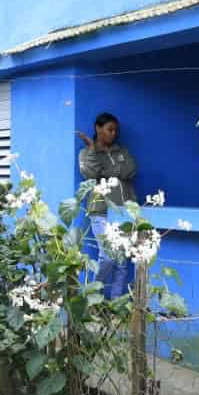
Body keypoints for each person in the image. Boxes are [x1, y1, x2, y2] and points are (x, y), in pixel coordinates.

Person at [77, 112, 138, 299]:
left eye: (115, 131)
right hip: (101, 211)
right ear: (98, 128)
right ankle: (94, 297)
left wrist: (109, 171)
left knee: (121, 261)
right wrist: (95, 152)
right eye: (109, 129)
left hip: (123, 212)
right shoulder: (86, 153)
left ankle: (115, 303)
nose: (113, 134)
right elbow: (90, 173)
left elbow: (131, 170)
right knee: (108, 256)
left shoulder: (122, 151)